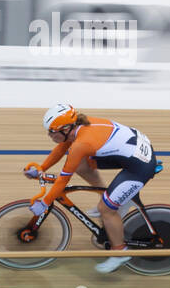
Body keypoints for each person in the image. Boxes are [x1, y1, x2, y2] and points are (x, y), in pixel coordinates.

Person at [25, 103, 158, 274]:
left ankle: (120, 253)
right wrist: (42, 168)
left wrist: (45, 202)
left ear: (65, 128)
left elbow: (63, 180)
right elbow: (61, 149)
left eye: (51, 131)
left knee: (106, 210)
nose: (49, 135)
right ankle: (109, 197)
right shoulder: (79, 127)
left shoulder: (82, 143)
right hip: (133, 150)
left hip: (140, 166)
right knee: (81, 164)